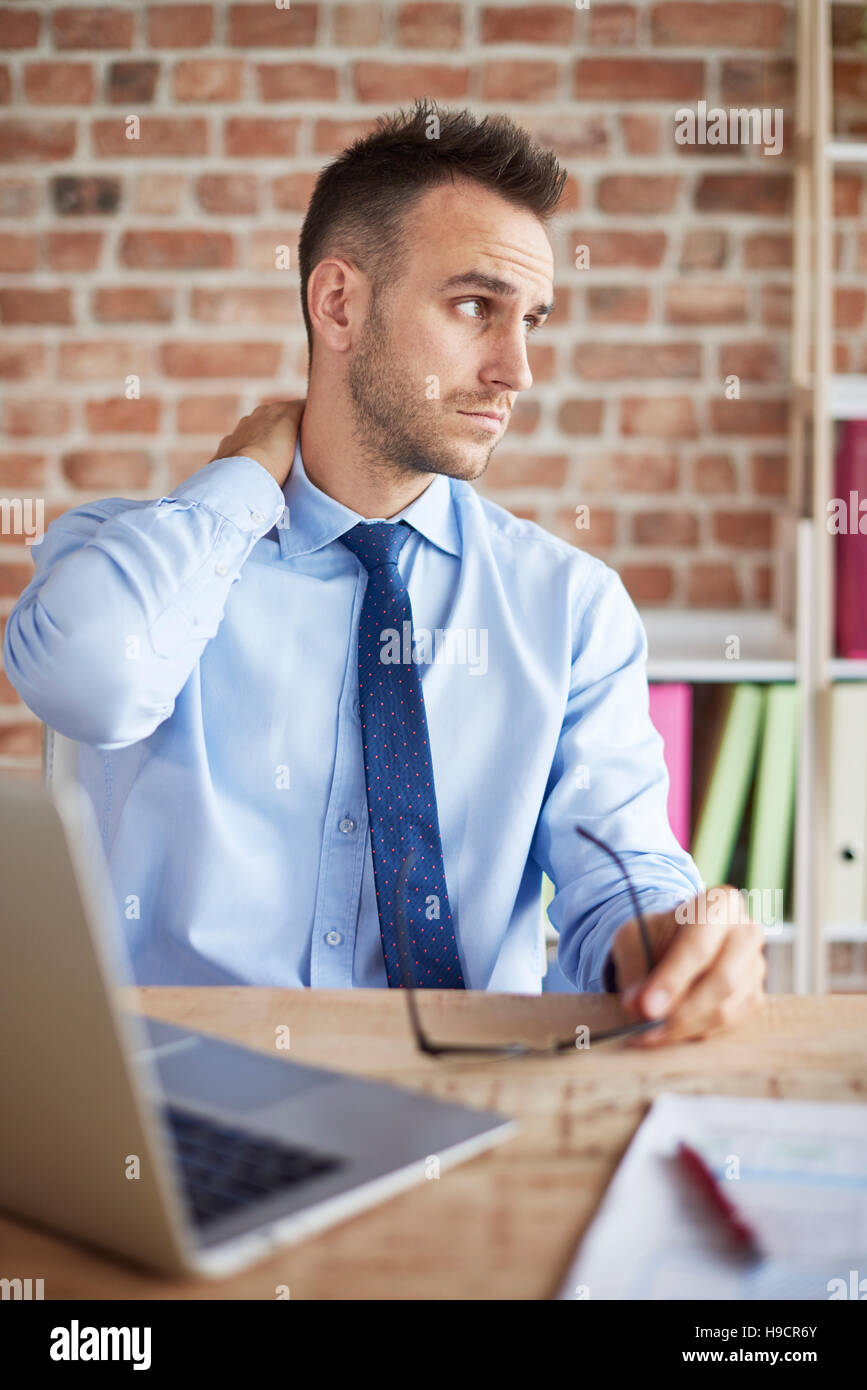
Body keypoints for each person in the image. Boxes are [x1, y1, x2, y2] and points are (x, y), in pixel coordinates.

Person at [4, 99, 765, 1043]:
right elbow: (88, 684)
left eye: (530, 319)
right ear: (339, 304)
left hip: (476, 1101)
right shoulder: (133, 561)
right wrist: (241, 480)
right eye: (474, 307)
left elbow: (618, 870)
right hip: (187, 1104)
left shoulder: (568, 607)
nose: (517, 368)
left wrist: (669, 938)